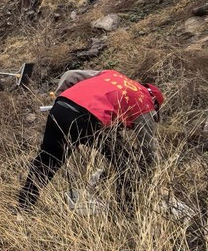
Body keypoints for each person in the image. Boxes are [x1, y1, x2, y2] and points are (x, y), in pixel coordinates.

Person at [17, 69, 164, 209]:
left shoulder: (111, 75)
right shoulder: (144, 102)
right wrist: (149, 173)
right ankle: (126, 211)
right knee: (128, 164)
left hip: (60, 107)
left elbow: (70, 75)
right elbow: (148, 147)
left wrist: (60, 96)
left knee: (48, 160)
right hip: (88, 119)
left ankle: (24, 206)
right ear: (155, 102)